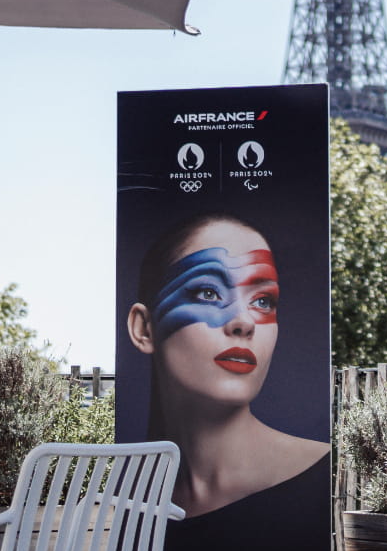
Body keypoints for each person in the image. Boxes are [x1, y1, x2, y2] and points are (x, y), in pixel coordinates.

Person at [126, 212, 330, 518]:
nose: (244, 322)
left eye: (263, 301)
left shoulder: (321, 475)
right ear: (144, 328)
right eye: (208, 293)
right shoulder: (130, 499)